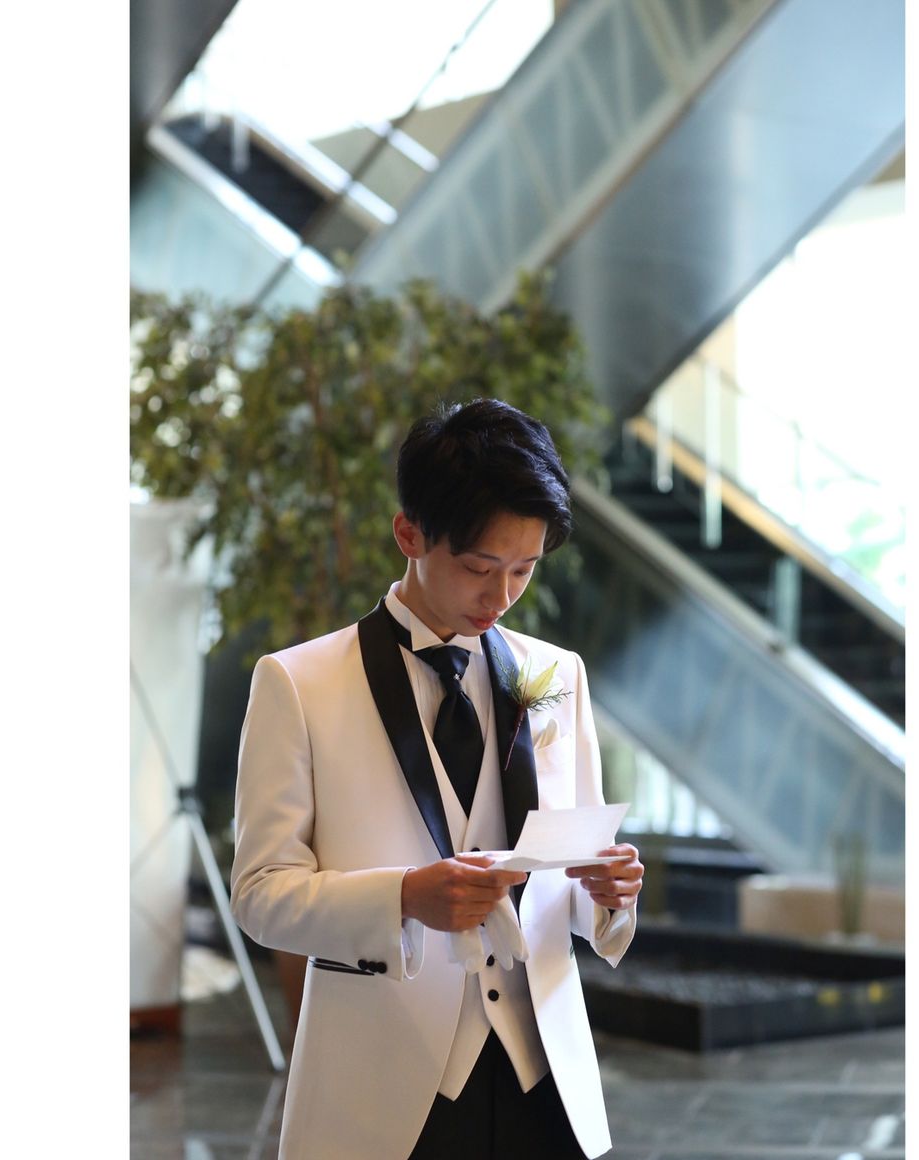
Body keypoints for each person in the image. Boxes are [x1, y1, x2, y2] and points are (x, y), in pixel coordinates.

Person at [230, 398, 644, 1159]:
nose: (501, 596)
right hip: (383, 1091)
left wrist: (610, 893)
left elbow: (575, 881)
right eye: (479, 568)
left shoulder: (558, 675)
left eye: (524, 569)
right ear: (409, 535)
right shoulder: (299, 683)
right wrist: (403, 897)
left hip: (545, 1079)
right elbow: (260, 895)